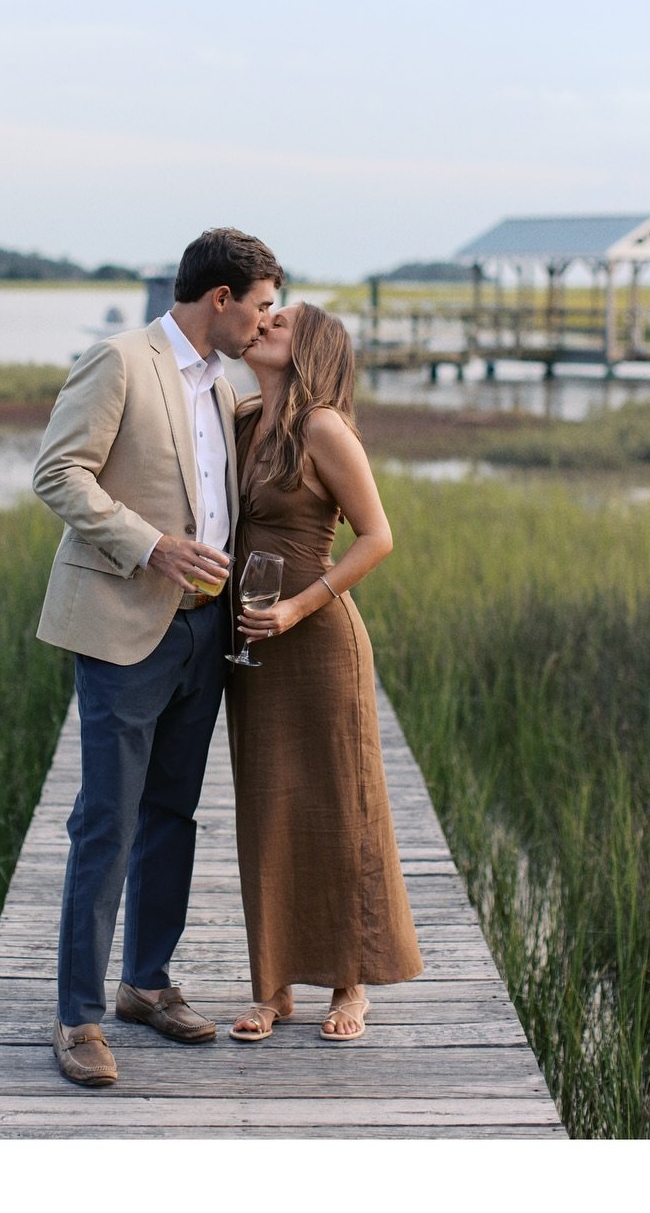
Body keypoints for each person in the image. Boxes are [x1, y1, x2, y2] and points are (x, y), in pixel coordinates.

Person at [32, 227, 284, 1086]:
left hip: (204, 630)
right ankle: (77, 1017)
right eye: (261, 306)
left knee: (173, 812)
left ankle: (146, 982)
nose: (266, 321)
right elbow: (60, 473)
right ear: (220, 299)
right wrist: (152, 547)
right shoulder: (120, 360)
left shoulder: (220, 382)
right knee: (107, 818)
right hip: (122, 625)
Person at [224, 301, 423, 1043]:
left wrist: (300, 609)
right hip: (252, 642)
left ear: (310, 346)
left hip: (316, 638)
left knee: (342, 804)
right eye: (267, 313)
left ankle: (351, 984)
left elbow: (377, 537)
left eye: (284, 319)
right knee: (266, 803)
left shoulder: (323, 428)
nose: (266, 321)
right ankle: (271, 990)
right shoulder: (244, 420)